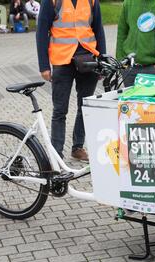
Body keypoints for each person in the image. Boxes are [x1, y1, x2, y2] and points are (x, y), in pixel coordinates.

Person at [36, 0, 106, 161]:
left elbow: (99, 29)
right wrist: (44, 66)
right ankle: (56, 152)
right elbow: (41, 31)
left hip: (88, 59)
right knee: (60, 110)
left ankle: (78, 147)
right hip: (62, 61)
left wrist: (101, 62)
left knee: (85, 106)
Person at [116, 0, 155, 87]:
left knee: (154, 101)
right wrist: (120, 60)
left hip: (154, 70)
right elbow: (122, 31)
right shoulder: (128, 2)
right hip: (129, 69)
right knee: (130, 101)